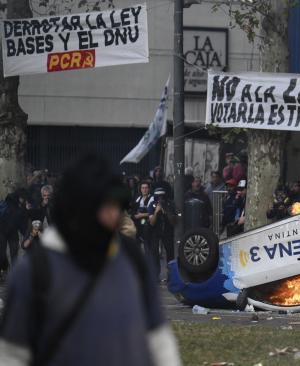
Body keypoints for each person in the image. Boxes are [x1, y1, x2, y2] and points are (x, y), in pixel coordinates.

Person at [0, 154, 181, 366]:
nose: (113, 215)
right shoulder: (34, 271)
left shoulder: (131, 259)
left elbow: (159, 341)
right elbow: (12, 355)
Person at [149, 188, 176, 280]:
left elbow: (173, 222)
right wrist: (156, 212)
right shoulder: (152, 205)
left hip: (167, 231)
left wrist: (167, 211)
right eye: (158, 197)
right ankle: (156, 275)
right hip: (155, 232)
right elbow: (152, 223)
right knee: (155, 253)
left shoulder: (170, 204)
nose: (160, 199)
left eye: (162, 197)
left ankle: (171, 275)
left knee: (170, 253)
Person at [0, 191, 28, 278]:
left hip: (13, 233)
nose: (24, 200)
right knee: (2, 254)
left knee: (14, 254)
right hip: (2, 231)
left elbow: (21, 223)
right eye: (23, 198)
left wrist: (25, 235)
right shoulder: (9, 203)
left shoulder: (22, 207)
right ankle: (5, 269)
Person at [132, 181, 155, 248]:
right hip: (139, 224)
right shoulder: (139, 199)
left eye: (146, 188)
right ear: (140, 189)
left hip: (148, 224)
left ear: (149, 189)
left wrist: (141, 215)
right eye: (143, 188)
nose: (144, 190)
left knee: (147, 244)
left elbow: (153, 212)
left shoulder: (152, 198)